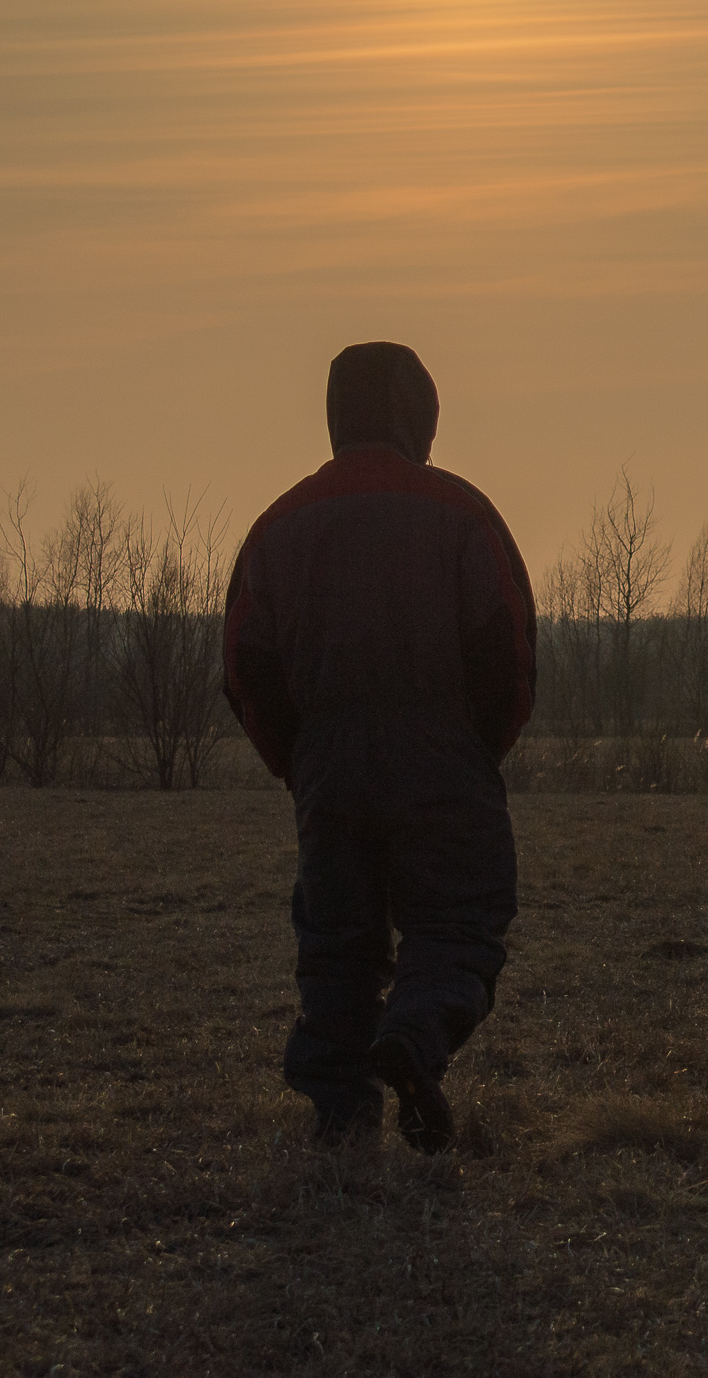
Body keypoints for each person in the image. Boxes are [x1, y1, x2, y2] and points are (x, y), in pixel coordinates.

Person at [222, 341, 536, 1150]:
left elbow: (246, 667)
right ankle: (415, 1036)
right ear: (417, 414)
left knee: (336, 940)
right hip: (441, 751)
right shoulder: (461, 513)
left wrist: (300, 762)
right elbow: (509, 649)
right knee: (459, 919)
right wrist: (475, 751)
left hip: (326, 759)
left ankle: (339, 1110)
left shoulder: (277, 526)